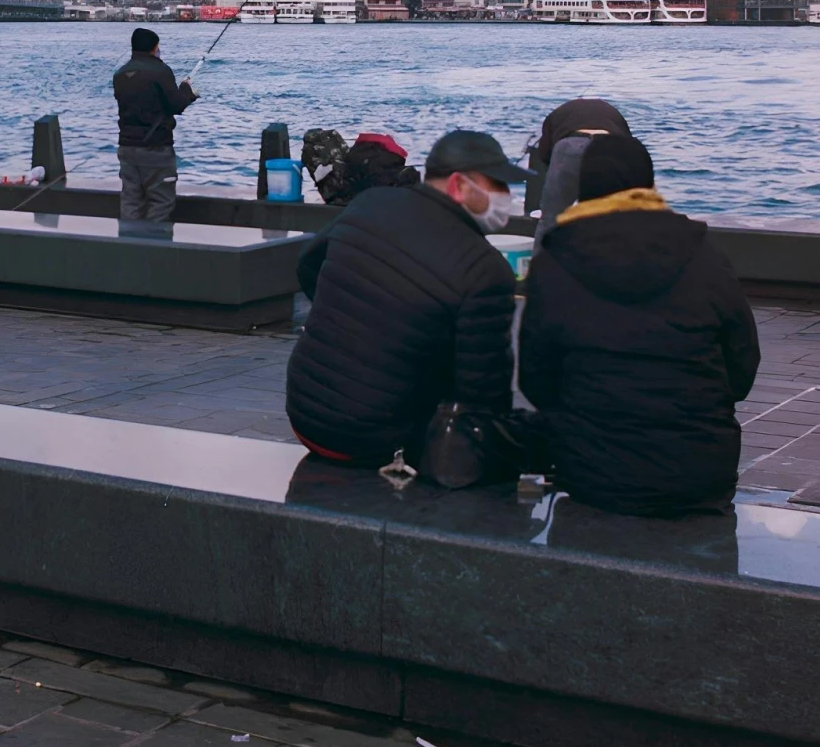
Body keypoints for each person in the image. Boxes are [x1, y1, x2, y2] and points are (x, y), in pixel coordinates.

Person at [518, 133, 760, 516]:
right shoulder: (705, 255)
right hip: (699, 473)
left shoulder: (555, 261)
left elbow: (536, 380)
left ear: (585, 190)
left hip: (589, 471)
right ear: (648, 184)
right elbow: (742, 368)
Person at [286, 127, 528, 469]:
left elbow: (308, 265)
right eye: (497, 185)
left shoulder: (372, 202)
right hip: (374, 437)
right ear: (459, 185)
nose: (506, 196)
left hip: (304, 411)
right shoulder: (486, 270)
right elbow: (484, 393)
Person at [112, 27, 197, 222]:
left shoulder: (120, 74)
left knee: (131, 200)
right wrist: (186, 91)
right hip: (156, 147)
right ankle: (154, 246)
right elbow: (176, 105)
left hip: (127, 148)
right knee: (161, 202)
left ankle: (128, 245)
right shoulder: (160, 71)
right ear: (154, 48)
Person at [530, 98, 633, 234]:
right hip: (610, 147)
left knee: (551, 220)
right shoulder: (614, 114)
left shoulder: (557, 115)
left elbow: (544, 154)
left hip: (570, 146)